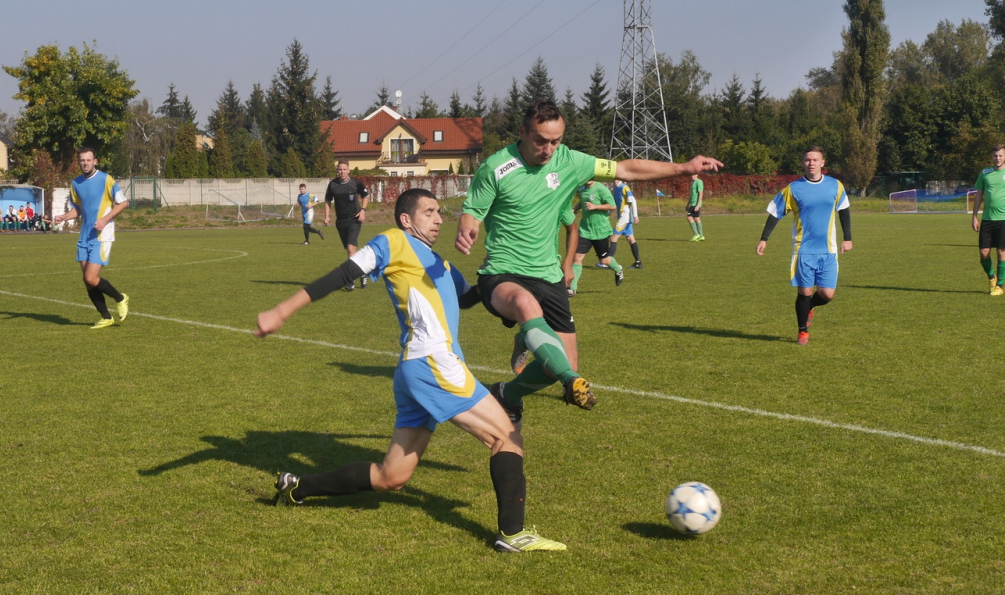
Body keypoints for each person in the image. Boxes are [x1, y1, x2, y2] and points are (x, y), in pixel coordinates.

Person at [257, 188, 566, 553]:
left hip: (416, 370)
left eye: (440, 212)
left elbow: (469, 298)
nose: (439, 219)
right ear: (406, 219)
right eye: (430, 212)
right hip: (433, 363)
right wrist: (282, 311)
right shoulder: (393, 241)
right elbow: (342, 274)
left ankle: (296, 486)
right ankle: (513, 535)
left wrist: (497, 276)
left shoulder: (440, 263)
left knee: (392, 476)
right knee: (506, 437)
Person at [456, 100, 721, 422]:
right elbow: (473, 211)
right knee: (527, 306)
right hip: (503, 272)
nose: (548, 149)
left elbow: (625, 169)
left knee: (564, 361)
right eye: (540, 140)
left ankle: (507, 395)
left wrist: (683, 167)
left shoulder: (571, 161)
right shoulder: (496, 167)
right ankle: (567, 378)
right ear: (523, 132)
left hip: (548, 275)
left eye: (556, 141)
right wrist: (467, 229)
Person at [756, 146, 852, 345]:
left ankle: (809, 307)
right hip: (803, 250)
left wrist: (848, 237)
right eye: (808, 160)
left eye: (815, 160)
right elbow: (775, 212)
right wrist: (764, 238)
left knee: (827, 294)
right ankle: (802, 332)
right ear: (803, 163)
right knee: (805, 292)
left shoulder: (835, 185)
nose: (811, 163)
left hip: (828, 250)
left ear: (822, 163)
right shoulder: (794, 188)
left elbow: (844, 209)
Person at [54, 147, 131, 329]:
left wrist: (105, 219)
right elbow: (78, 209)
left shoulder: (106, 179)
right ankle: (106, 317)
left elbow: (124, 202)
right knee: (88, 282)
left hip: (101, 235)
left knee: (90, 277)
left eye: (89, 160)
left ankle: (121, 298)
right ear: (79, 162)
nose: (85, 163)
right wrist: (64, 217)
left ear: (95, 161)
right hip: (84, 236)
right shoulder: (76, 183)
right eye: (82, 160)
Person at [568, 180, 623, 296]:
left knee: (603, 260)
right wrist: (574, 209)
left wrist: (595, 206)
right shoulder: (582, 188)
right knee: (577, 257)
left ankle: (618, 269)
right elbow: (583, 202)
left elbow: (612, 205)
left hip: (600, 231)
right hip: (585, 230)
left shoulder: (601, 189)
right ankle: (572, 288)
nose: (589, 178)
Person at [323, 161, 370, 290]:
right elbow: (327, 200)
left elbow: (365, 195)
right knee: (351, 250)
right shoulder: (333, 184)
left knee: (350, 248)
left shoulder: (355, 183)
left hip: (354, 219)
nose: (342, 172)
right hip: (341, 222)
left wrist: (363, 210)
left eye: (344, 169)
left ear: (348, 170)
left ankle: (351, 279)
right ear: (337, 170)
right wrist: (327, 216)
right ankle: (363, 271)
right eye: (340, 169)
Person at [971, 144, 1005, 296]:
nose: (998, 158)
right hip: (987, 220)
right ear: (991, 157)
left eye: (1000, 155)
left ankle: (999, 285)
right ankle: (991, 276)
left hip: (1003, 219)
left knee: (1001, 253)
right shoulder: (985, 173)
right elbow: (978, 195)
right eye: (995, 156)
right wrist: (974, 217)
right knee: (984, 253)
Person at [609, 179, 642, 269]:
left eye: (617, 177)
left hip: (625, 216)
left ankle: (608, 262)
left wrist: (635, 216)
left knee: (613, 237)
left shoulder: (624, 187)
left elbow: (633, 201)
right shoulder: (615, 188)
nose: (615, 180)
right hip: (622, 216)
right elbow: (614, 203)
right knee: (630, 239)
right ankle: (638, 262)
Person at [688, 173, 705, 241]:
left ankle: (696, 234)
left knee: (689, 217)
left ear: (697, 175)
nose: (692, 176)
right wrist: (688, 204)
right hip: (692, 203)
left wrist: (698, 205)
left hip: (695, 203)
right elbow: (692, 194)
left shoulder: (699, 182)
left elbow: (701, 194)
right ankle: (701, 236)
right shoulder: (692, 183)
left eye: (693, 175)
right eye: (691, 175)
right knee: (697, 218)